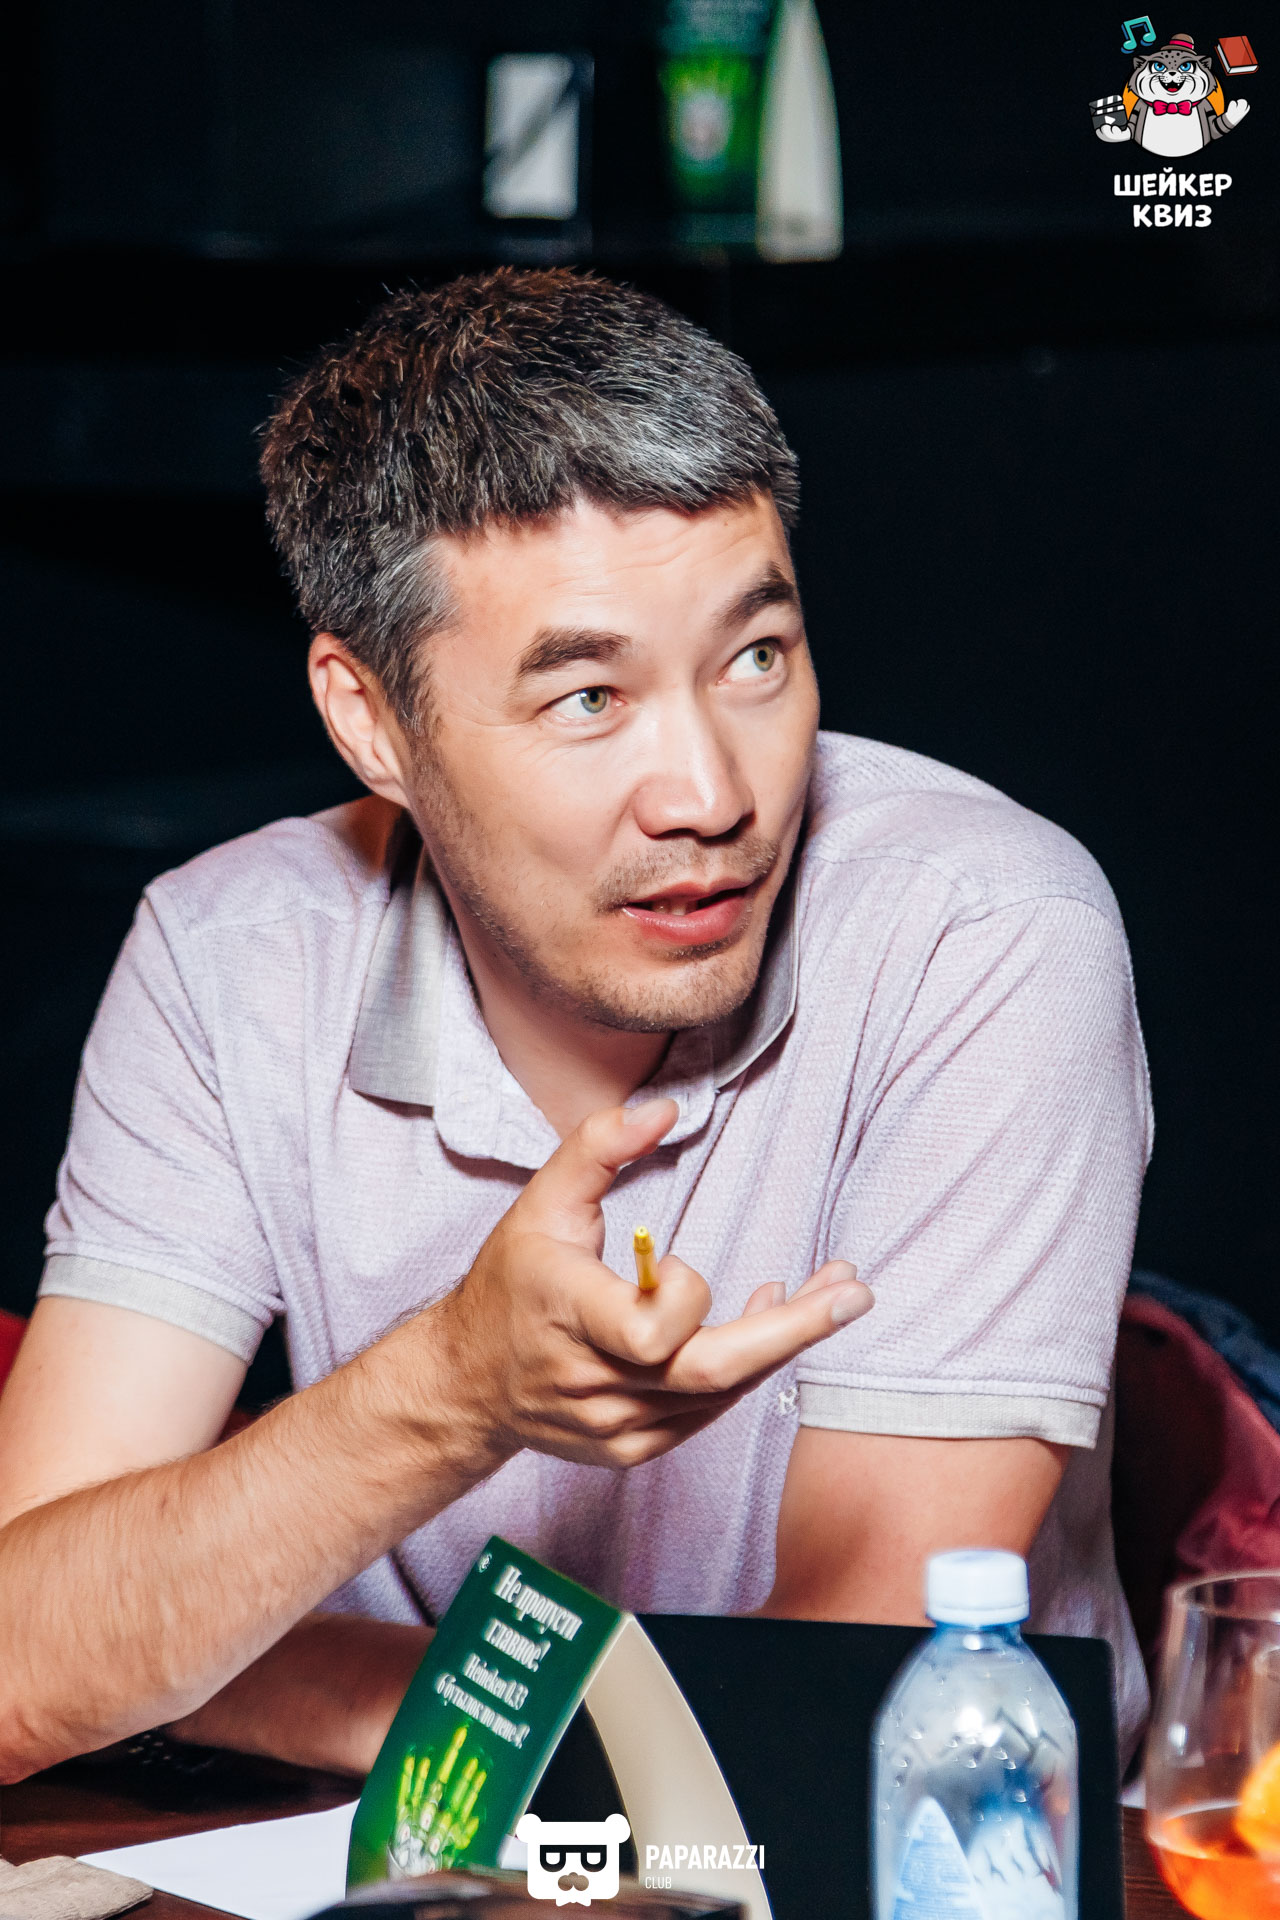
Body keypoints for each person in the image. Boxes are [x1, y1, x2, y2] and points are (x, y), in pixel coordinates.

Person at [0, 269, 1151, 1783]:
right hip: (406, 1854)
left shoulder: (985, 933)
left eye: (755, 657)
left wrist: (212, 1666)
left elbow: (855, 1709)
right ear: (370, 721)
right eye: (589, 699)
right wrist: (448, 1388)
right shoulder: (228, 958)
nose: (713, 796)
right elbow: (22, 1662)